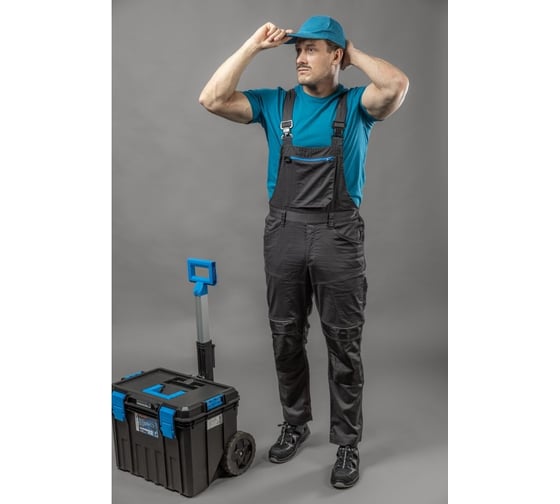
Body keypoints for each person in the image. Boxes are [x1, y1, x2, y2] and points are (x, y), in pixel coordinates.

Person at [199, 15, 409, 489]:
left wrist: (351, 52)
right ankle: (295, 423)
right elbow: (211, 98)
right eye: (297, 50)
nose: (299, 58)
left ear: (335, 56)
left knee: (343, 343)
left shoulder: (357, 105)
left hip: (338, 237)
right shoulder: (277, 103)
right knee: (285, 336)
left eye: (311, 49)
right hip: (285, 233)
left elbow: (396, 84)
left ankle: (347, 443)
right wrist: (252, 46)